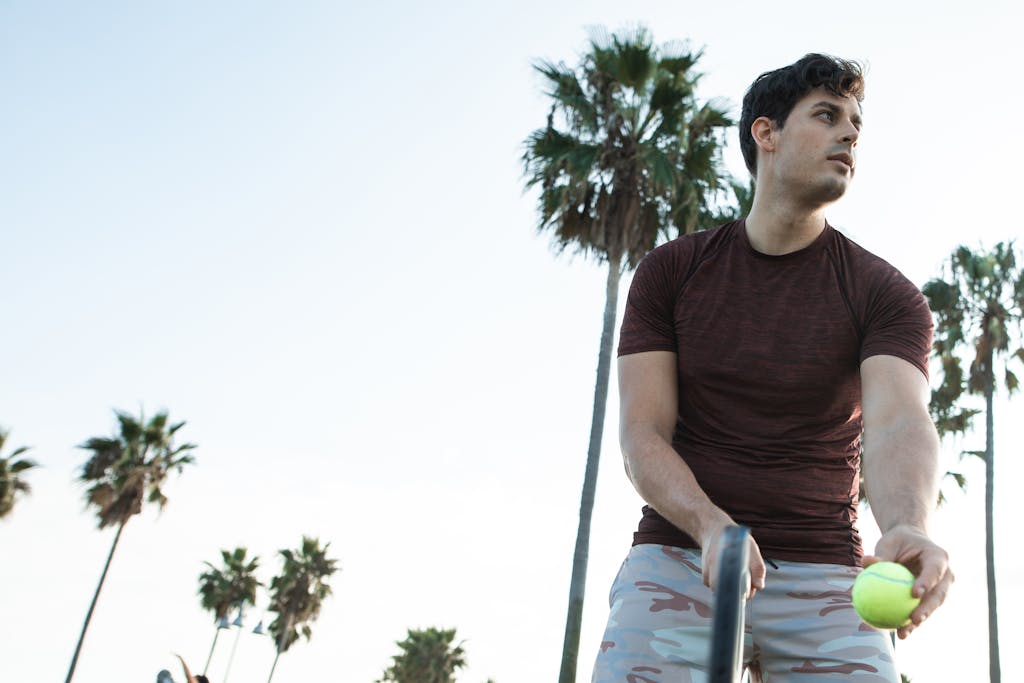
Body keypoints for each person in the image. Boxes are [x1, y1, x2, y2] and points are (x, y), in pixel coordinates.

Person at [591, 53, 954, 682]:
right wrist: (711, 528)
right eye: (827, 115)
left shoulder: (884, 294)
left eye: (856, 125)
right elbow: (641, 433)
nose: (850, 134)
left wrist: (908, 525)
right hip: (680, 553)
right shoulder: (672, 272)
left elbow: (897, 422)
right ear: (767, 133)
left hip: (827, 571)